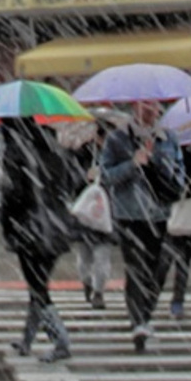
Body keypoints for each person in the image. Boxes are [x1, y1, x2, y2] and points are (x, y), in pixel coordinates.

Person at [99, 101, 185, 352]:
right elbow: (106, 176)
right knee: (136, 268)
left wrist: (161, 168)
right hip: (130, 215)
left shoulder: (168, 138)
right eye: (145, 104)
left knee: (158, 268)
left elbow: (178, 174)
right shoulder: (118, 139)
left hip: (160, 214)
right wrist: (133, 164)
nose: (151, 110)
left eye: (155, 104)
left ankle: (146, 313)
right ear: (135, 107)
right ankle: (138, 321)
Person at [0, 121, 75, 363]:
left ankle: (60, 339)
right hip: (56, 227)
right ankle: (27, 339)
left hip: (30, 228)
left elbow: (14, 195)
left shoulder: (16, 151)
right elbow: (69, 185)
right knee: (38, 283)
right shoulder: (56, 151)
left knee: (37, 287)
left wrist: (6, 221)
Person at [64, 118, 115, 309]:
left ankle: (98, 291)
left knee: (102, 254)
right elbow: (71, 178)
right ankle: (87, 283)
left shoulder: (116, 154)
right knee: (84, 254)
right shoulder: (83, 153)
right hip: (86, 210)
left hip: (106, 211)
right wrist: (85, 177)